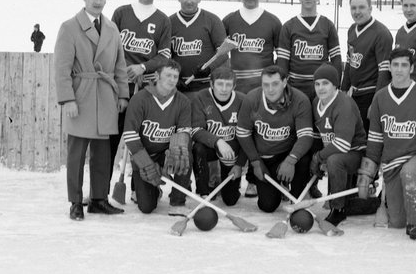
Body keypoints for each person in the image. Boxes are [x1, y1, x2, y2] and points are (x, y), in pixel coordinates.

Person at [54, 0, 128, 221]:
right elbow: (62, 68)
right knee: (76, 154)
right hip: (82, 95)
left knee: (102, 153)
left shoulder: (111, 28)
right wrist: (68, 99)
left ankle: (98, 199)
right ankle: (76, 202)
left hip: (106, 96)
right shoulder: (69, 27)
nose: (98, 1)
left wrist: (123, 94)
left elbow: (119, 64)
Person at [357, 47, 416, 240]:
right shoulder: (380, 97)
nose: (399, 70)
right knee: (397, 221)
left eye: (404, 65)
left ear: (412, 68)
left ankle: (414, 226)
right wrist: (367, 173)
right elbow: (375, 139)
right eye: (395, 65)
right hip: (391, 164)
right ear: (389, 67)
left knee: (410, 173)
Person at [109, 0, 172, 187]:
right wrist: (126, 69)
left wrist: (143, 67)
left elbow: (164, 55)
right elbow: (109, 45)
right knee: (112, 136)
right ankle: (101, 192)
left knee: (143, 137)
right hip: (120, 83)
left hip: (147, 84)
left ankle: (139, 187)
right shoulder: (121, 12)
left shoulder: (162, 19)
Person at [235, 64, 314, 213]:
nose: (270, 89)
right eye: (266, 84)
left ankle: (297, 196)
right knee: (267, 206)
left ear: (285, 82)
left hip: (287, 154)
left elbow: (306, 136)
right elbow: (243, 133)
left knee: (303, 159)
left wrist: (291, 160)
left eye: (275, 84)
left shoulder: (300, 100)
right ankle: (279, 185)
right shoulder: (252, 99)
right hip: (264, 158)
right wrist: (255, 162)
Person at [122, 60, 192, 214]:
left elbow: (184, 131)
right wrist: (146, 163)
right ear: (156, 75)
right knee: (146, 207)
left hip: (167, 154)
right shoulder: (139, 99)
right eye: (168, 75)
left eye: (175, 76)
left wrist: (176, 151)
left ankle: (177, 200)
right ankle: (155, 191)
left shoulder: (183, 101)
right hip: (145, 155)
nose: (172, 79)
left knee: (185, 153)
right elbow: (130, 135)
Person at [310, 64, 375, 226]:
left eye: (325, 83)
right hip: (334, 152)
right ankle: (343, 201)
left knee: (334, 161)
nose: (320, 88)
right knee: (329, 159)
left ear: (335, 85)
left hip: (355, 154)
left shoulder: (344, 104)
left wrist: (319, 157)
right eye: (317, 84)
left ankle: (339, 210)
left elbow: (342, 144)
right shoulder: (316, 102)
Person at [188, 66, 246, 207]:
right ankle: (204, 191)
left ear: (234, 85)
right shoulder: (200, 98)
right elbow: (196, 130)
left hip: (232, 151)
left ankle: (225, 185)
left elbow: (248, 135)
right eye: (220, 84)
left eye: (228, 84)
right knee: (198, 148)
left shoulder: (242, 100)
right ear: (211, 84)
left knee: (230, 200)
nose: (224, 89)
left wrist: (239, 164)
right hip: (211, 147)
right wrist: (218, 141)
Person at [277, 0, 342, 101]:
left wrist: (336, 84)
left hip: (322, 85)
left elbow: (336, 58)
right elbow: (282, 61)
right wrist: (283, 86)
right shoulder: (289, 26)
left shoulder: (327, 25)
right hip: (296, 85)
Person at [341, 0, 393, 132]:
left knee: (369, 138)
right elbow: (349, 62)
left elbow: (384, 71)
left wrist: (376, 102)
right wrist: (343, 91)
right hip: (354, 94)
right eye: (353, 8)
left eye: (362, 7)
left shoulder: (381, 33)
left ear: (370, 9)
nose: (357, 12)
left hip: (370, 94)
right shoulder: (352, 29)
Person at [223, 0, 282, 94]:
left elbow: (282, 55)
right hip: (236, 85)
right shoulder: (229, 20)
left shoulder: (273, 21)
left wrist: (273, 76)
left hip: (265, 85)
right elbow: (219, 53)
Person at [170, 0, 228, 92]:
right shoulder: (169, 22)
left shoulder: (212, 20)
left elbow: (224, 54)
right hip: (178, 86)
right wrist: (173, 78)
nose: (189, 1)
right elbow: (165, 56)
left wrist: (208, 68)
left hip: (206, 86)